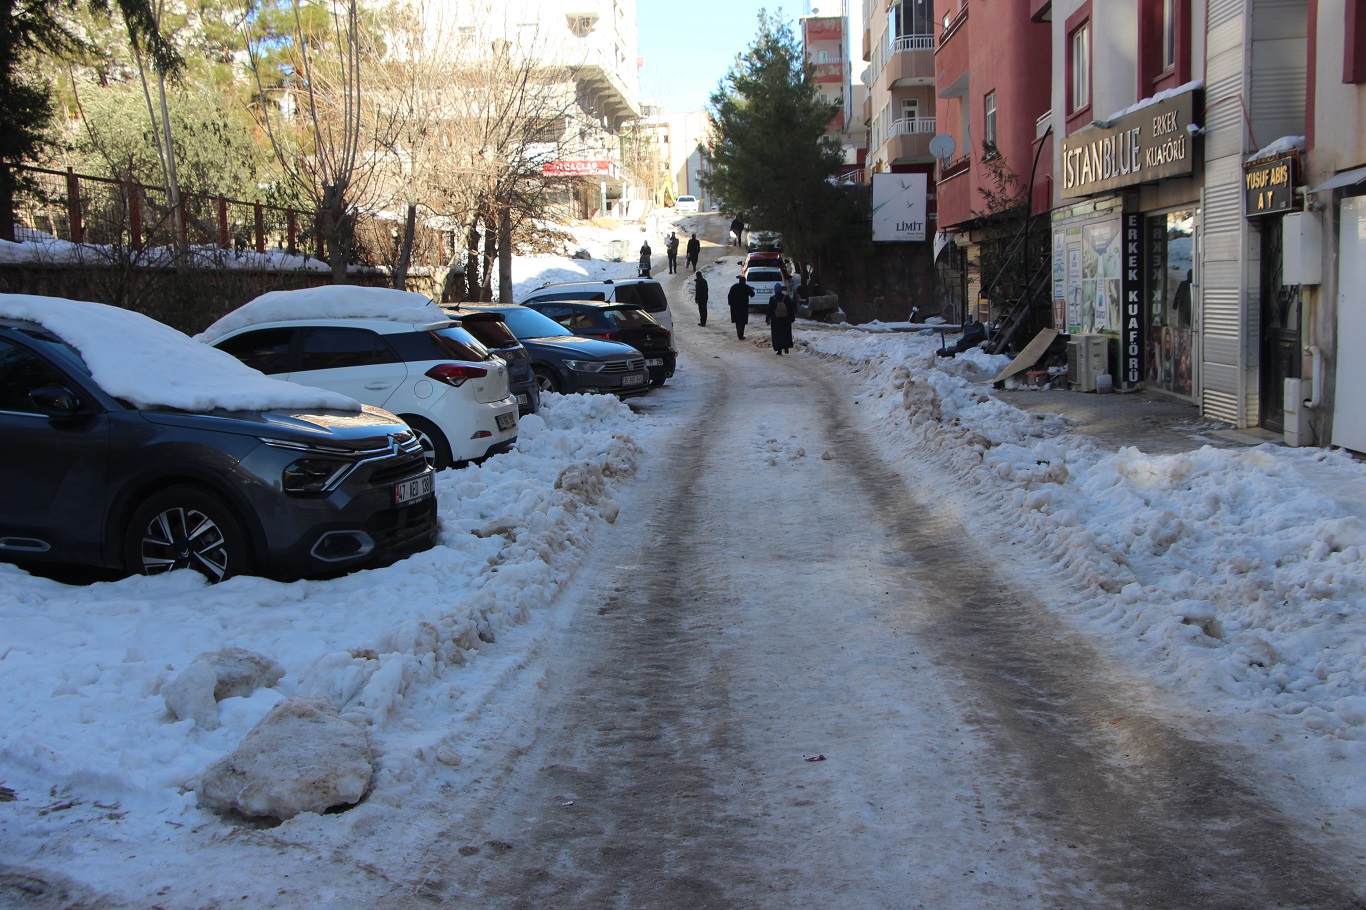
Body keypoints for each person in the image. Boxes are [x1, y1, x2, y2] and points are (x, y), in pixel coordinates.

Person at [766, 284, 795, 355]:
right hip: (786, 319)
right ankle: (786, 347)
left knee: (777, 335)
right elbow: (790, 308)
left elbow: (769, 309)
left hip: (776, 320)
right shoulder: (786, 297)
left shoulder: (772, 298)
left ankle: (779, 350)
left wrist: (767, 319)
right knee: (786, 333)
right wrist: (792, 318)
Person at [727, 274, 755, 339]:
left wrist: (730, 303)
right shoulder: (746, 287)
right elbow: (752, 294)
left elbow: (729, 296)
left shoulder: (734, 287)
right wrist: (750, 289)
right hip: (743, 307)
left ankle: (738, 333)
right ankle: (740, 335)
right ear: (744, 281)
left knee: (737, 320)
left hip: (735, 306)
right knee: (742, 321)